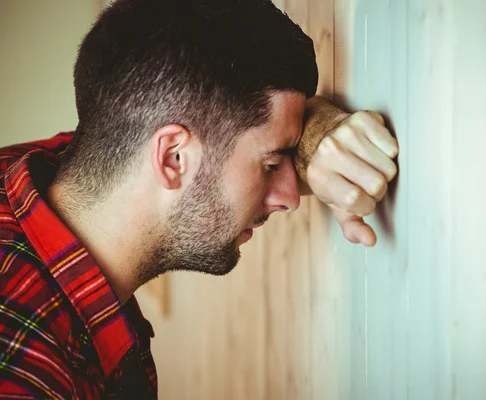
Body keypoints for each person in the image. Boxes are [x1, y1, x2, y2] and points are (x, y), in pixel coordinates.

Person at [0, 0, 398, 398]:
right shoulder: (30, 379)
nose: (291, 199)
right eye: (272, 165)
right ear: (173, 158)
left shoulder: (53, 168)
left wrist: (317, 138)